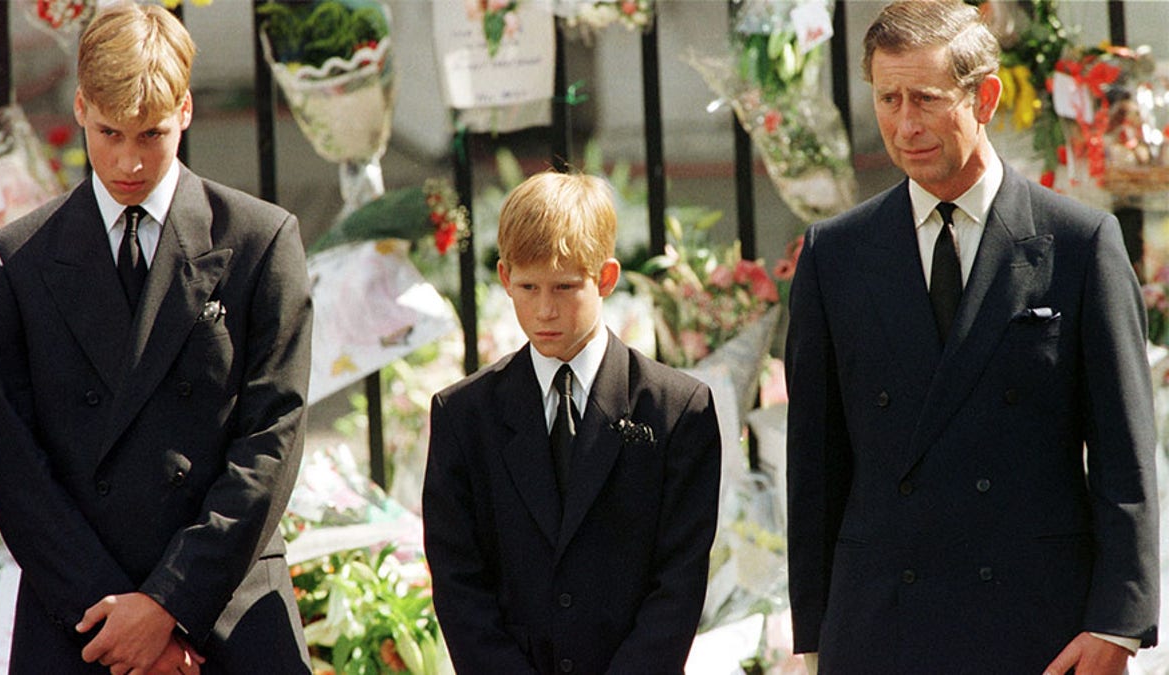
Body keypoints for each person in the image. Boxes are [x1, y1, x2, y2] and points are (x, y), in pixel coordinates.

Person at [785, 2, 1159, 673]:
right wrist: (813, 639)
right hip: (880, 626)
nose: (905, 125)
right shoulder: (834, 254)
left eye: (926, 99)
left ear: (985, 97)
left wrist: (1118, 623)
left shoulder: (1079, 243)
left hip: (1036, 625)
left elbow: (1123, 455)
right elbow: (815, 465)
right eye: (888, 98)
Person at [0, 3, 313, 673]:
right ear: (79, 108)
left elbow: (271, 441)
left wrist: (168, 605)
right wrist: (116, 619)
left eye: (153, 134)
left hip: (225, 609)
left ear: (185, 111)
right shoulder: (21, 259)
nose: (130, 161)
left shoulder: (259, 241)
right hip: (78, 619)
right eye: (109, 132)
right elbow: (15, 464)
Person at [422, 171, 721, 674]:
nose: (544, 309)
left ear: (605, 278)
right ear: (503, 277)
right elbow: (458, 581)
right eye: (527, 286)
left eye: (565, 287)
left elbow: (679, 583)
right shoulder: (464, 417)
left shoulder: (676, 409)